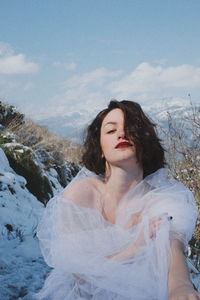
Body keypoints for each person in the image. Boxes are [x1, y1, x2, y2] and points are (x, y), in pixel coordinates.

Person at [35, 100, 199, 300]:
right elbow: (82, 276)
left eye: (130, 128)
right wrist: (134, 249)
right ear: (101, 149)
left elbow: (174, 246)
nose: (122, 134)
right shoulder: (80, 195)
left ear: (144, 142)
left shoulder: (164, 197)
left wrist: (180, 288)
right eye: (111, 131)